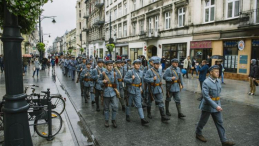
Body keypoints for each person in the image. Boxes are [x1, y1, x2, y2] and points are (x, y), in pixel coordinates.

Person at [195, 65, 235, 146]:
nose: (218, 73)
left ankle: (224, 141)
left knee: (219, 122)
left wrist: (218, 104)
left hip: (217, 104)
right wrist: (216, 106)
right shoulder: (206, 82)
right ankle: (198, 133)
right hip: (208, 106)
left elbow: (218, 93)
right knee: (203, 121)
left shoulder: (218, 81)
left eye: (218, 71)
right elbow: (206, 96)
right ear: (211, 73)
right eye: (216, 71)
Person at [144, 57, 170, 122]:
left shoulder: (160, 70)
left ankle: (163, 116)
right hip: (151, 89)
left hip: (158, 89)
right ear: (153, 64)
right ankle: (149, 113)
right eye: (156, 64)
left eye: (158, 64)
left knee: (161, 101)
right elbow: (145, 79)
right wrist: (152, 79)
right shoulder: (149, 71)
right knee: (149, 102)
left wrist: (160, 82)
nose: (158, 65)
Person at [124, 59, 149, 125]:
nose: (138, 65)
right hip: (131, 90)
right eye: (136, 64)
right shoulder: (130, 72)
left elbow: (142, 81)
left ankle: (142, 119)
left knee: (139, 105)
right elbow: (124, 80)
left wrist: (142, 89)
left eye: (139, 64)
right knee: (129, 104)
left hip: (138, 90)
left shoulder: (141, 72)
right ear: (134, 65)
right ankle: (127, 115)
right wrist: (131, 79)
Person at [98, 60, 119, 128]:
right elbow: (98, 81)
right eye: (109, 65)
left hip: (113, 92)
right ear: (106, 66)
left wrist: (117, 91)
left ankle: (113, 120)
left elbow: (116, 83)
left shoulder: (114, 74)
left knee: (115, 107)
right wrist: (103, 81)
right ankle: (106, 120)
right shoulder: (103, 74)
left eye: (111, 65)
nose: (110, 67)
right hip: (106, 92)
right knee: (106, 108)